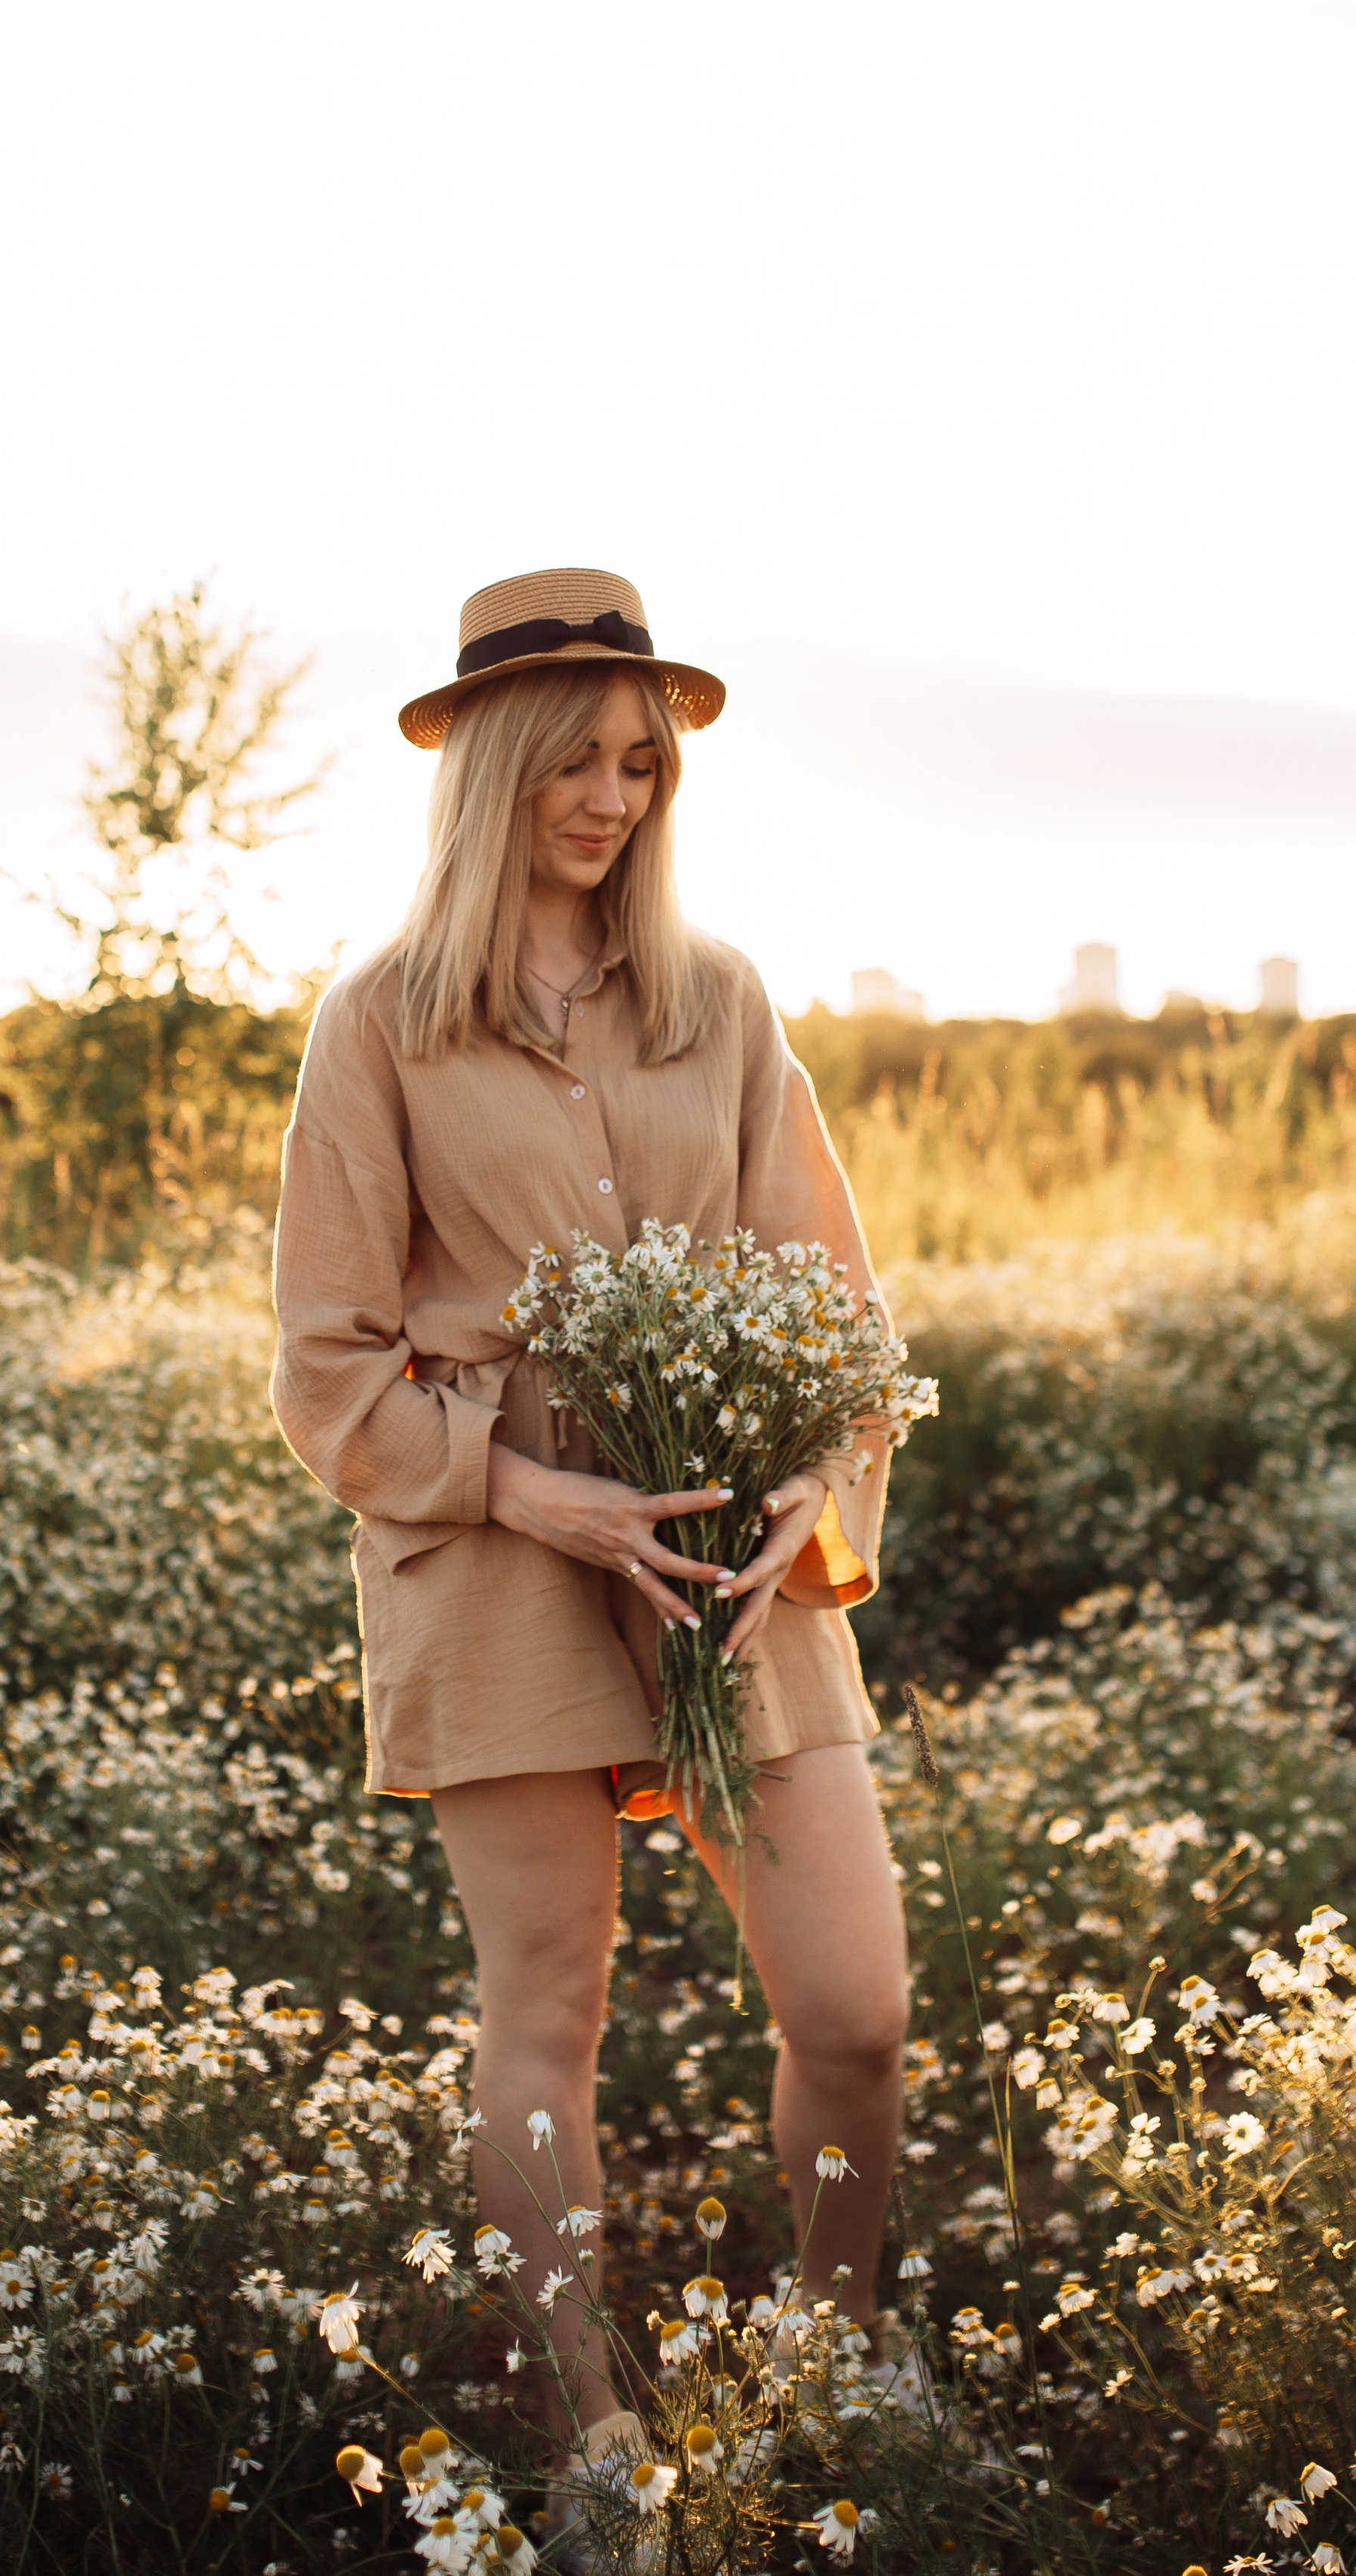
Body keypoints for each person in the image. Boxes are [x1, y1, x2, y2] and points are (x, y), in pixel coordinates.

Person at [271, 566, 910, 2490]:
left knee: (858, 2009)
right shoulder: (377, 1021)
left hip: (732, 1549)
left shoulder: (718, 1000)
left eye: (641, 760)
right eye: (575, 755)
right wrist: (537, 1493)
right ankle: (587, 2444)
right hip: (494, 1551)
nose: (613, 794)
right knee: (545, 2007)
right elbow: (327, 1367)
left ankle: (835, 2370)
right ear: (487, 764)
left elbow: (838, 1311)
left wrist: (815, 1471)